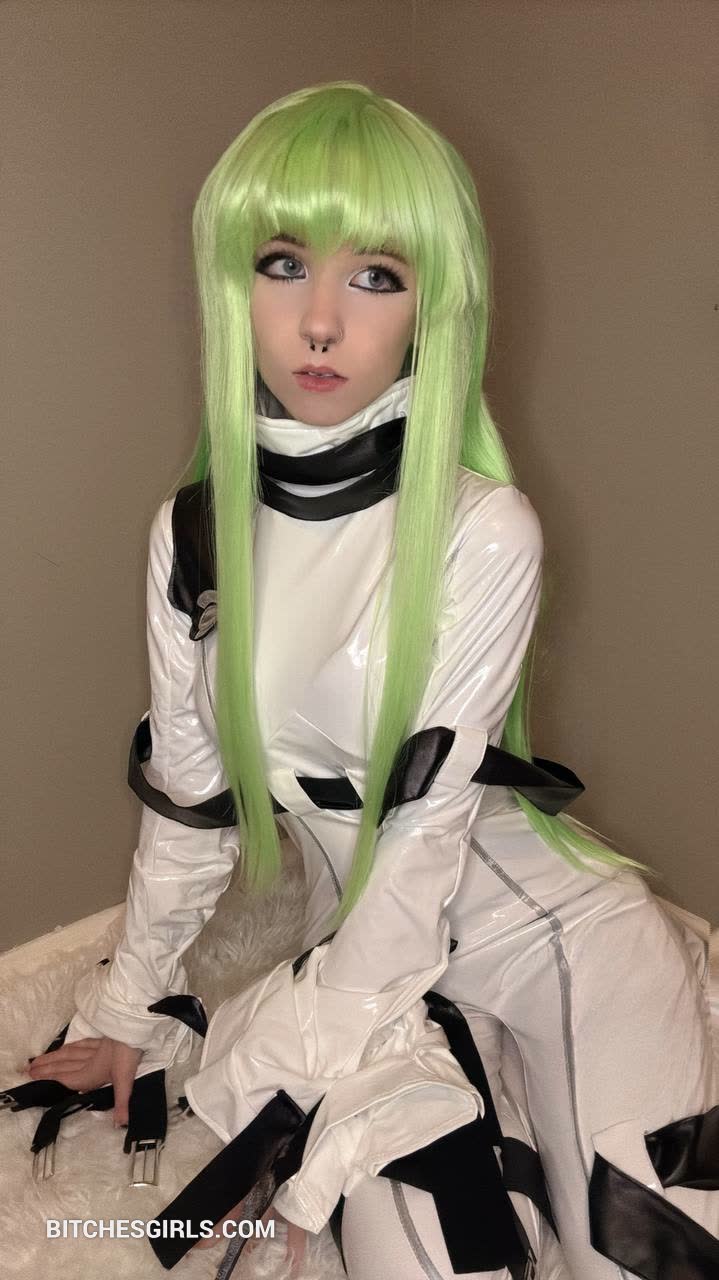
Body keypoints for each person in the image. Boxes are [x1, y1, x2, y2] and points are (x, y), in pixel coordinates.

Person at [25, 82, 718, 1279]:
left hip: (552, 942)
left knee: (643, 1249)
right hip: (375, 962)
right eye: (283, 263)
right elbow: (188, 811)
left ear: (429, 307)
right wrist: (119, 1013)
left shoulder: (481, 527)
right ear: (231, 283)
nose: (319, 322)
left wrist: (305, 1055)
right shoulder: (192, 535)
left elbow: (427, 832)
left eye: (376, 276)